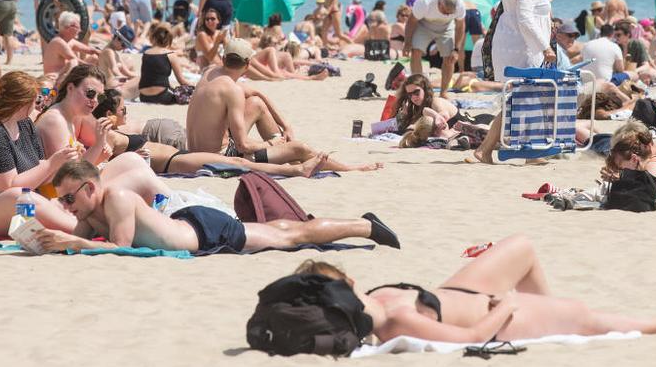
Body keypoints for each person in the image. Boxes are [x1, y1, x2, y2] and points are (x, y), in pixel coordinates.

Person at [288, 234, 656, 344]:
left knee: (521, 247)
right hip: (488, 315)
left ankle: (547, 311)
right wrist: (509, 306)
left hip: (453, 293)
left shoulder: (376, 300)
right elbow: (471, 336)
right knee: (579, 316)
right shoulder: (394, 319)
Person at [34, 159, 401, 254]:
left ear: (89, 187)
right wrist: (41, 239)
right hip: (189, 223)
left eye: (68, 197)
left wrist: (77, 243)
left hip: (206, 230)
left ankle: (364, 225)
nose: (66, 206)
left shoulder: (115, 199)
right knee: (285, 233)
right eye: (61, 199)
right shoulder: (90, 211)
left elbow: (119, 249)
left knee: (290, 236)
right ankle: (362, 224)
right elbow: (73, 239)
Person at [186, 39, 381, 172]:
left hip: (194, 151)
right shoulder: (232, 90)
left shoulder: (210, 73)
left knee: (256, 103)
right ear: (248, 64)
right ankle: (350, 169)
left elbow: (257, 93)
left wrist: (285, 125)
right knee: (300, 148)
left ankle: (287, 153)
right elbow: (242, 145)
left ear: (223, 59)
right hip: (218, 158)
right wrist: (271, 143)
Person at [92, 89, 327, 177]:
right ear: (110, 115)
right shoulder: (114, 133)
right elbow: (99, 163)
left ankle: (289, 156)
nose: (127, 111)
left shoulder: (115, 134)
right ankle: (294, 167)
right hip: (178, 155)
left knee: (243, 152)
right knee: (237, 161)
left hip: (177, 151)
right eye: (123, 108)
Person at [0, 71, 80, 236]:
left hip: (24, 202)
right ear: (21, 102)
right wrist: (51, 163)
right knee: (20, 196)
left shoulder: (25, 125)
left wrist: (62, 162)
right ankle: (82, 231)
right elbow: (8, 187)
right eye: (36, 99)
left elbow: (40, 176)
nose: (41, 103)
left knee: (54, 201)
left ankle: (89, 227)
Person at [472, 0, 558, 164]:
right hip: (523, 48)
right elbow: (527, 20)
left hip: (512, 45)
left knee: (520, 99)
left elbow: (539, 5)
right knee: (523, 99)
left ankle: (498, 150)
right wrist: (545, 47)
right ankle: (497, 150)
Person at [404, 0, 466, 98]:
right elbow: (411, 21)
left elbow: (460, 26)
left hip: (446, 27)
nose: (447, 14)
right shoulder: (425, 1)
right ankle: (419, 88)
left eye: (449, 13)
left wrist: (456, 49)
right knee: (416, 51)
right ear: (439, 3)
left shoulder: (459, 5)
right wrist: (407, 42)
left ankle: (444, 92)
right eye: (445, 11)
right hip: (424, 24)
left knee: (449, 58)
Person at [138, 24, 193, 104]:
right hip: (161, 96)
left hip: (143, 96)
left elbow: (150, 77)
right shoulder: (171, 55)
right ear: (169, 40)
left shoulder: (146, 53)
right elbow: (182, 81)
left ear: (154, 38)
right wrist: (196, 87)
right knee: (187, 93)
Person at [42, 12, 99, 82]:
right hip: (54, 79)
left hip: (65, 75)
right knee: (73, 62)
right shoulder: (58, 42)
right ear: (68, 28)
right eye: (78, 27)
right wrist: (94, 68)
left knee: (94, 57)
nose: (80, 30)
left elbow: (91, 50)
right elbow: (75, 60)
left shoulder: (70, 41)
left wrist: (104, 53)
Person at [393, 74, 458, 134]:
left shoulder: (435, 101)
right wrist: (405, 114)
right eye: (410, 94)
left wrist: (417, 125)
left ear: (425, 89)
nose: (413, 97)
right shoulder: (417, 106)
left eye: (416, 92)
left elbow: (445, 115)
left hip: (463, 129)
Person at [97, 30, 139, 100]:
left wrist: (136, 76)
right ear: (117, 39)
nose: (124, 48)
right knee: (142, 80)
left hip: (112, 87)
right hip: (112, 90)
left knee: (129, 60)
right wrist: (125, 79)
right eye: (124, 45)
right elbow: (114, 69)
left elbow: (127, 72)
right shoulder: (109, 52)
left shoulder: (112, 51)